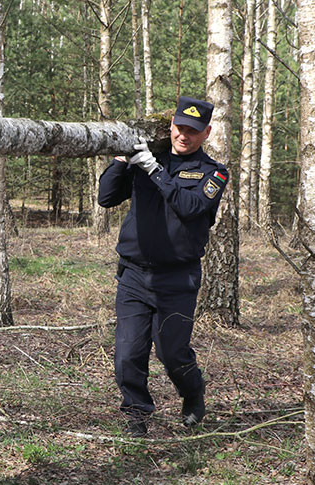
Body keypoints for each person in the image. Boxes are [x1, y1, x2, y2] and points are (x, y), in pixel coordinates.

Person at [97, 96, 229, 438]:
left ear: (207, 133)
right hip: (134, 275)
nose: (184, 136)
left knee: (172, 353)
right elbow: (107, 197)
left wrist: (155, 171)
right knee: (128, 353)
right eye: (179, 128)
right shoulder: (146, 157)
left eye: (193, 131)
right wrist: (121, 157)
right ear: (170, 127)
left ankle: (193, 393)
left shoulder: (213, 173)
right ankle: (136, 415)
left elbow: (190, 207)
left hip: (177, 279)